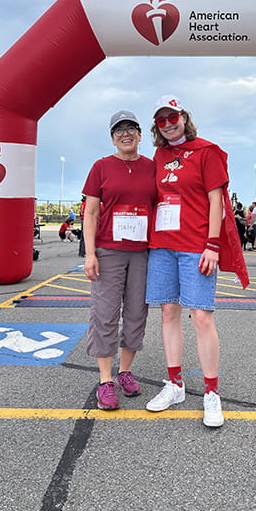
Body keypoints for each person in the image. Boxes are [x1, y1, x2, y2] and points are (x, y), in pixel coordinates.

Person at [144, 94, 249, 428]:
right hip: (162, 245)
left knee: (201, 316)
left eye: (173, 117)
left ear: (184, 117)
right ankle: (174, 384)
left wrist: (212, 245)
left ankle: (211, 391)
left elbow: (216, 200)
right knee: (168, 312)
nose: (168, 123)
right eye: (161, 120)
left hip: (195, 246)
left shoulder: (207, 151)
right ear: (157, 127)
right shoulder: (159, 156)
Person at [81, 110, 158, 410]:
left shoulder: (152, 167)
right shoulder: (101, 167)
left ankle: (125, 371)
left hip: (142, 253)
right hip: (108, 251)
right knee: (105, 314)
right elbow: (90, 213)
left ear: (140, 135)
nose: (125, 134)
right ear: (112, 138)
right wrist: (90, 254)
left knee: (138, 313)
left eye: (131, 129)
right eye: (118, 131)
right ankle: (105, 380)